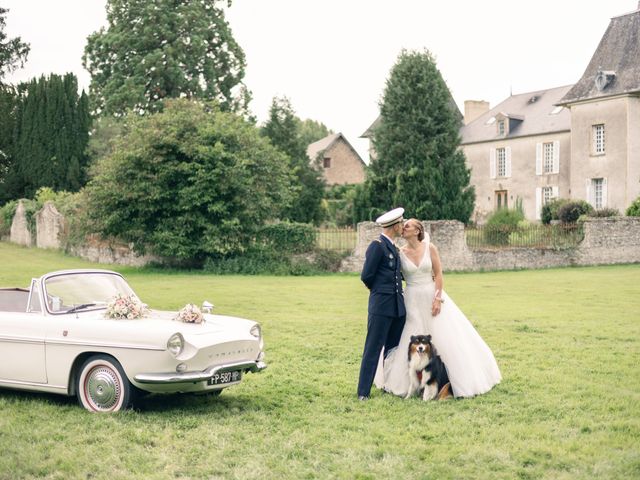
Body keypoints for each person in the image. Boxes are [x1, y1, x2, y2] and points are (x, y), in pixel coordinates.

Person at [375, 218, 501, 398]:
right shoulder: (399, 253)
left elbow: (439, 274)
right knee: (410, 338)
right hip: (411, 299)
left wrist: (437, 299)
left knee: (445, 338)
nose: (403, 228)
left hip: (431, 295)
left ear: (418, 230)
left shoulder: (430, 248)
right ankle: (412, 384)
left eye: (408, 225)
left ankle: (447, 381)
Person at [357, 207, 407, 401]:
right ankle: (363, 391)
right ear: (394, 226)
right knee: (373, 348)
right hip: (381, 306)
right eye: (401, 224)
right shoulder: (377, 246)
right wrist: (379, 293)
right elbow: (366, 276)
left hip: (397, 306)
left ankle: (389, 385)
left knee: (392, 349)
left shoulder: (393, 247)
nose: (403, 227)